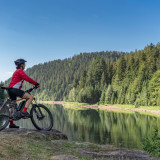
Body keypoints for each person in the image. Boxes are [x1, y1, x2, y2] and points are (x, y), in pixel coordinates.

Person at [8, 59, 39, 128]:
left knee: (12, 105)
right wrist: (35, 83)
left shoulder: (16, 71)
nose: (25, 65)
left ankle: (11, 123)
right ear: (22, 65)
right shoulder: (20, 71)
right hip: (14, 90)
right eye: (24, 64)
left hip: (10, 89)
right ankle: (24, 111)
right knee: (30, 97)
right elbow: (26, 78)